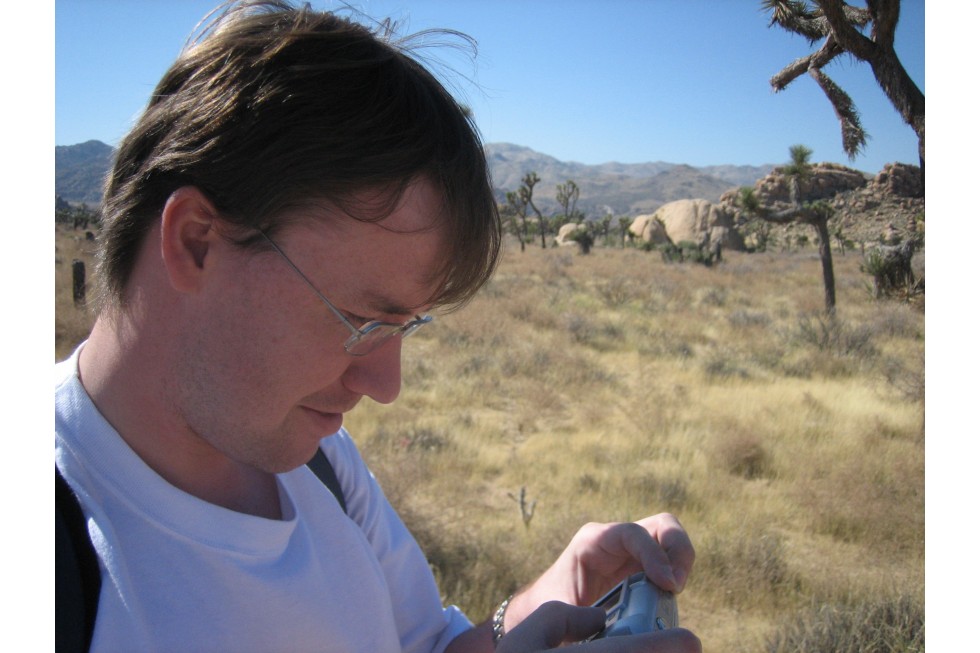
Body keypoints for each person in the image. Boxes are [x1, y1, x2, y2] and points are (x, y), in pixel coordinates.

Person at [54, 1, 701, 651]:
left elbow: (421, 642)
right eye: (362, 320)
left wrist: (556, 593)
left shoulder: (320, 463)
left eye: (403, 327)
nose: (386, 386)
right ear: (196, 242)